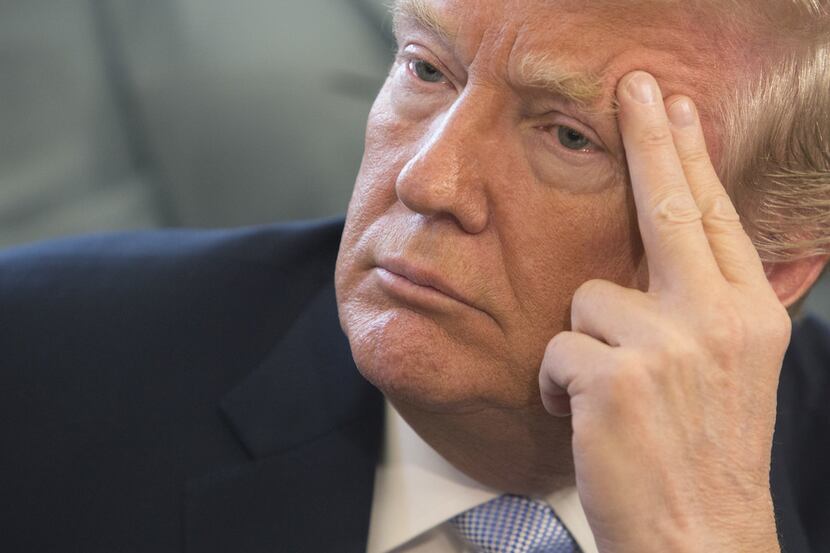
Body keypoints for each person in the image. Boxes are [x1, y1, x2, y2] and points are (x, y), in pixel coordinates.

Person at [1, 0, 828, 551]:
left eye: (571, 136)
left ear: (769, 269)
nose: (428, 182)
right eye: (428, 70)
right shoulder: (37, 361)